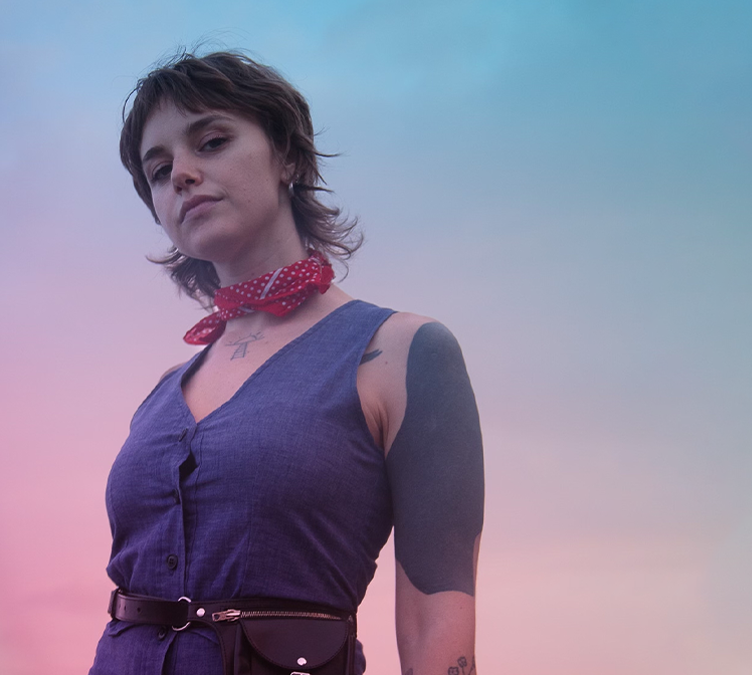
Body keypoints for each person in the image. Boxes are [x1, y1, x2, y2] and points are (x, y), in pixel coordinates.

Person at [89, 51, 484, 675]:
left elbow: (434, 619)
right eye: (159, 171)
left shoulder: (401, 352)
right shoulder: (163, 392)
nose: (183, 175)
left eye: (212, 142)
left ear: (289, 157)